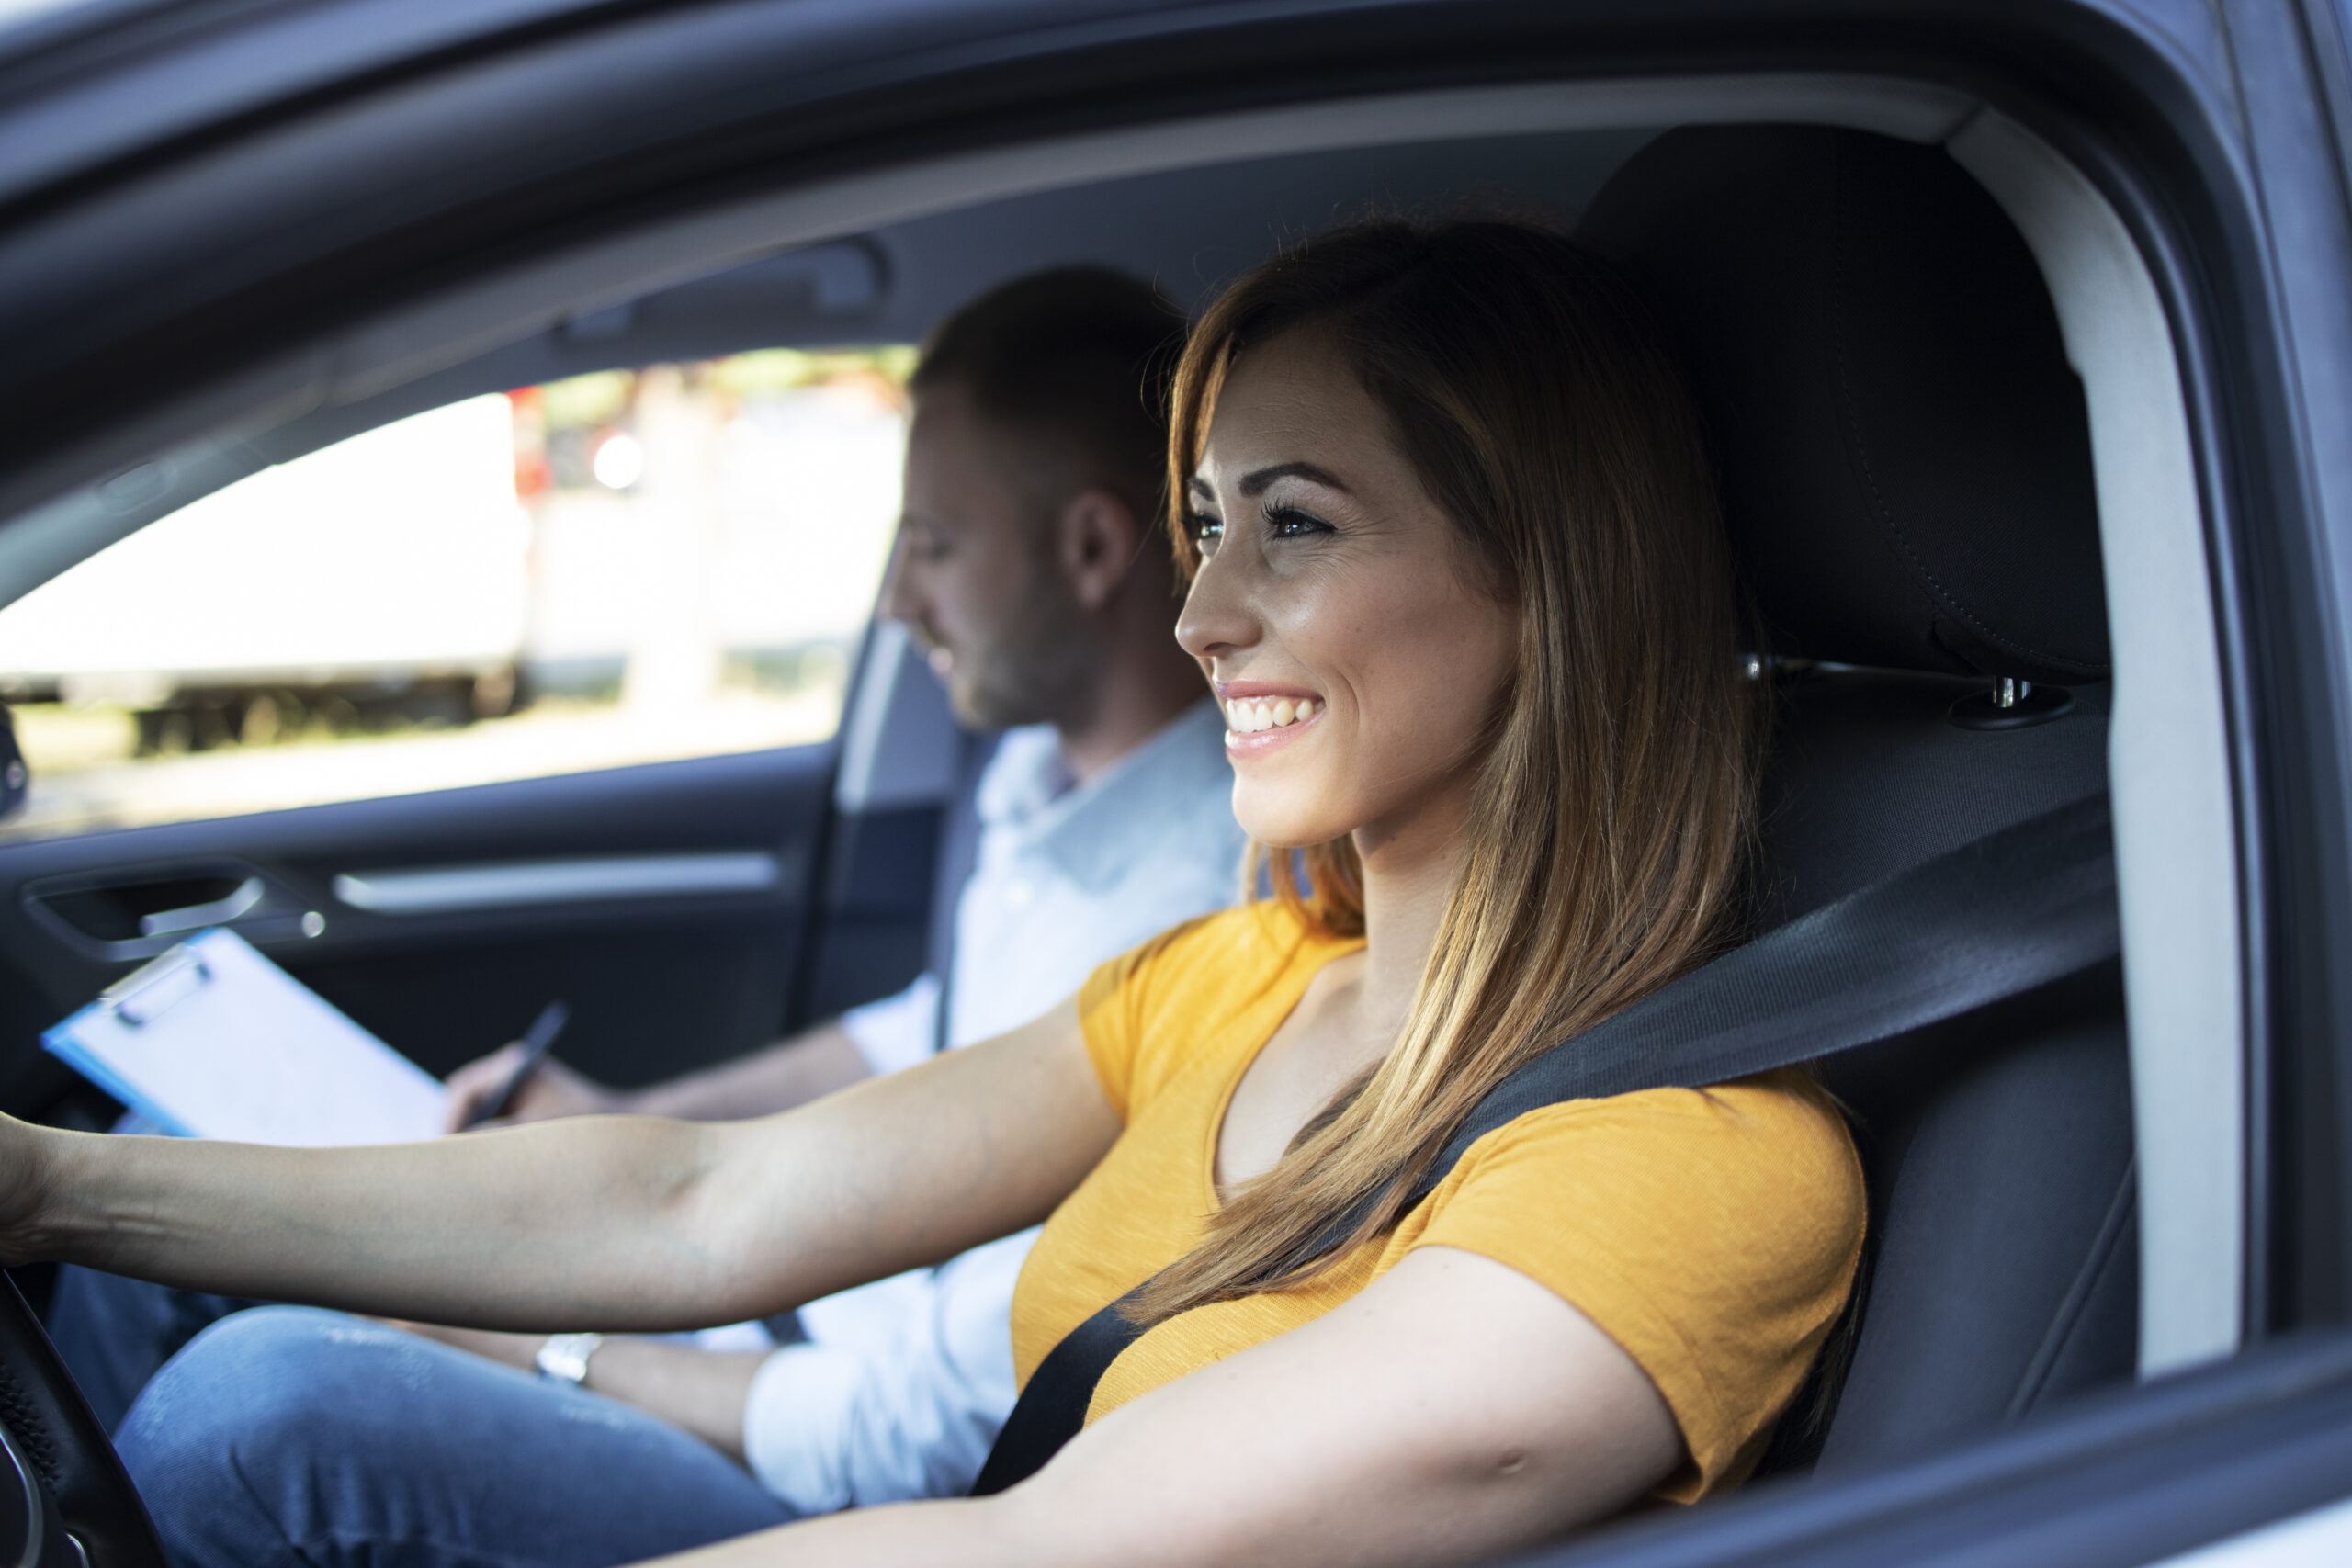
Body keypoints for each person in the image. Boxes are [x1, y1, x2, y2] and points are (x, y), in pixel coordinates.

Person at [3, 219, 1865, 1568]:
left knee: (258, 1427)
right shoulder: (1236, 977)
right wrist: (61, 1187)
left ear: (1555, 576)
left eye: (1290, 525)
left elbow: (1039, 1545)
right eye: (1205, 524)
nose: (1204, 613)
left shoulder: (1692, 1160)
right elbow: (703, 1201)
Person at [42, 265, 1244, 1513]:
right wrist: (628, 1109)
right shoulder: (1045, 789)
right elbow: (934, 1031)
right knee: (172, 1155)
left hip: (836, 1480)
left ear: (1094, 546)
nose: (898, 601)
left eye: (932, 546)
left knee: (261, 1412)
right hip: (768, 1309)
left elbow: (916, 1435)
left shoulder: (1201, 914)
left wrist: (528, 1340)